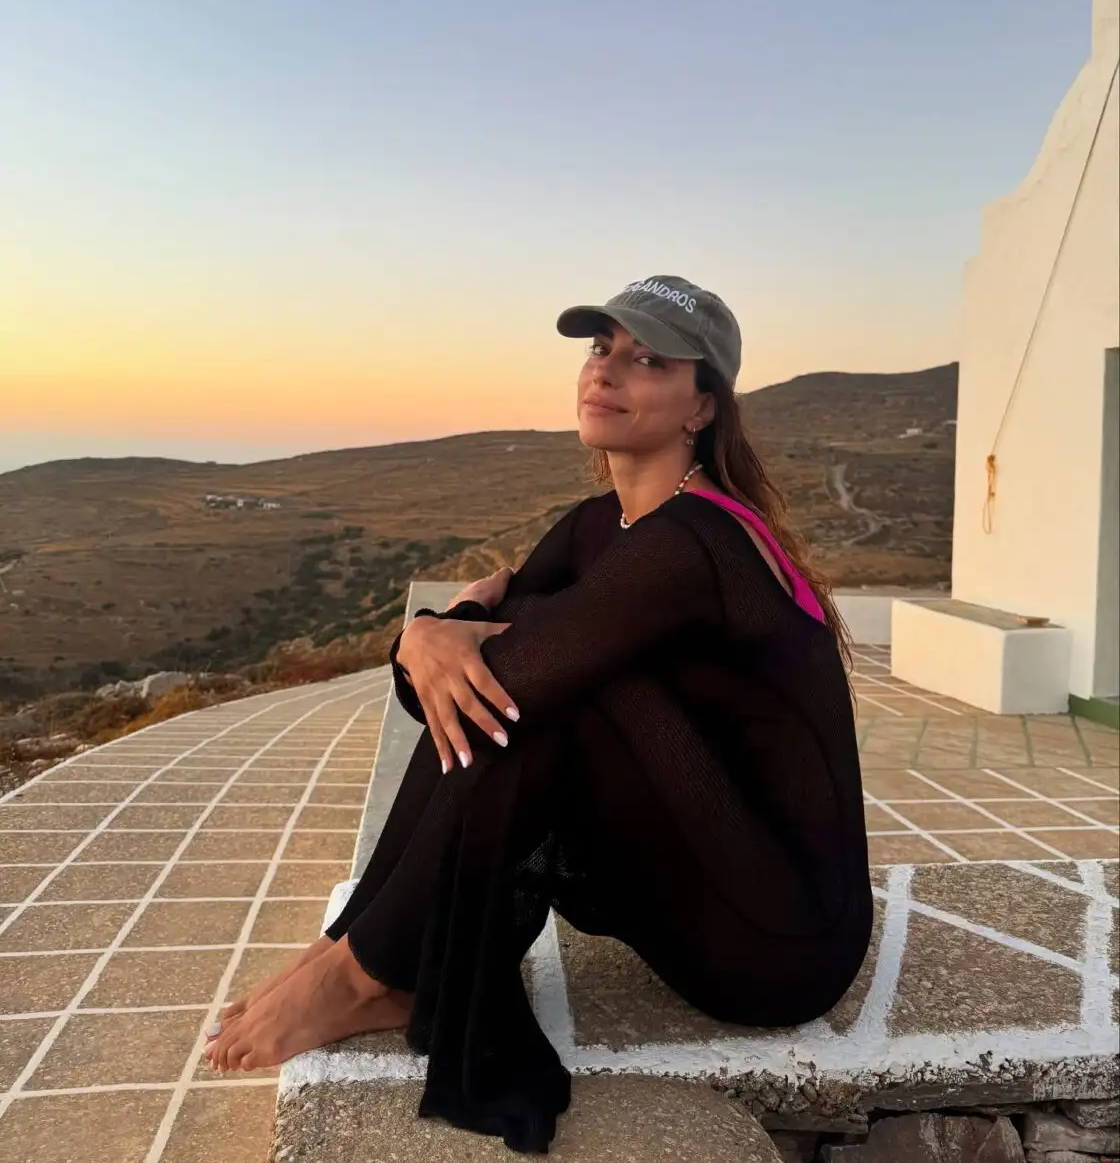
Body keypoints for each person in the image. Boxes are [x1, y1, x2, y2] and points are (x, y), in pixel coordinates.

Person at [206, 275, 873, 1155]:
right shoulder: (599, 525)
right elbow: (434, 688)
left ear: (702, 407)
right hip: (701, 880)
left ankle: (370, 971)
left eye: (648, 360)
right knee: (522, 675)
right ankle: (364, 953)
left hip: (782, 940)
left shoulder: (693, 542)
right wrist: (428, 638)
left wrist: (436, 630)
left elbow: (503, 673)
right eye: (602, 349)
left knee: (553, 690)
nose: (607, 371)